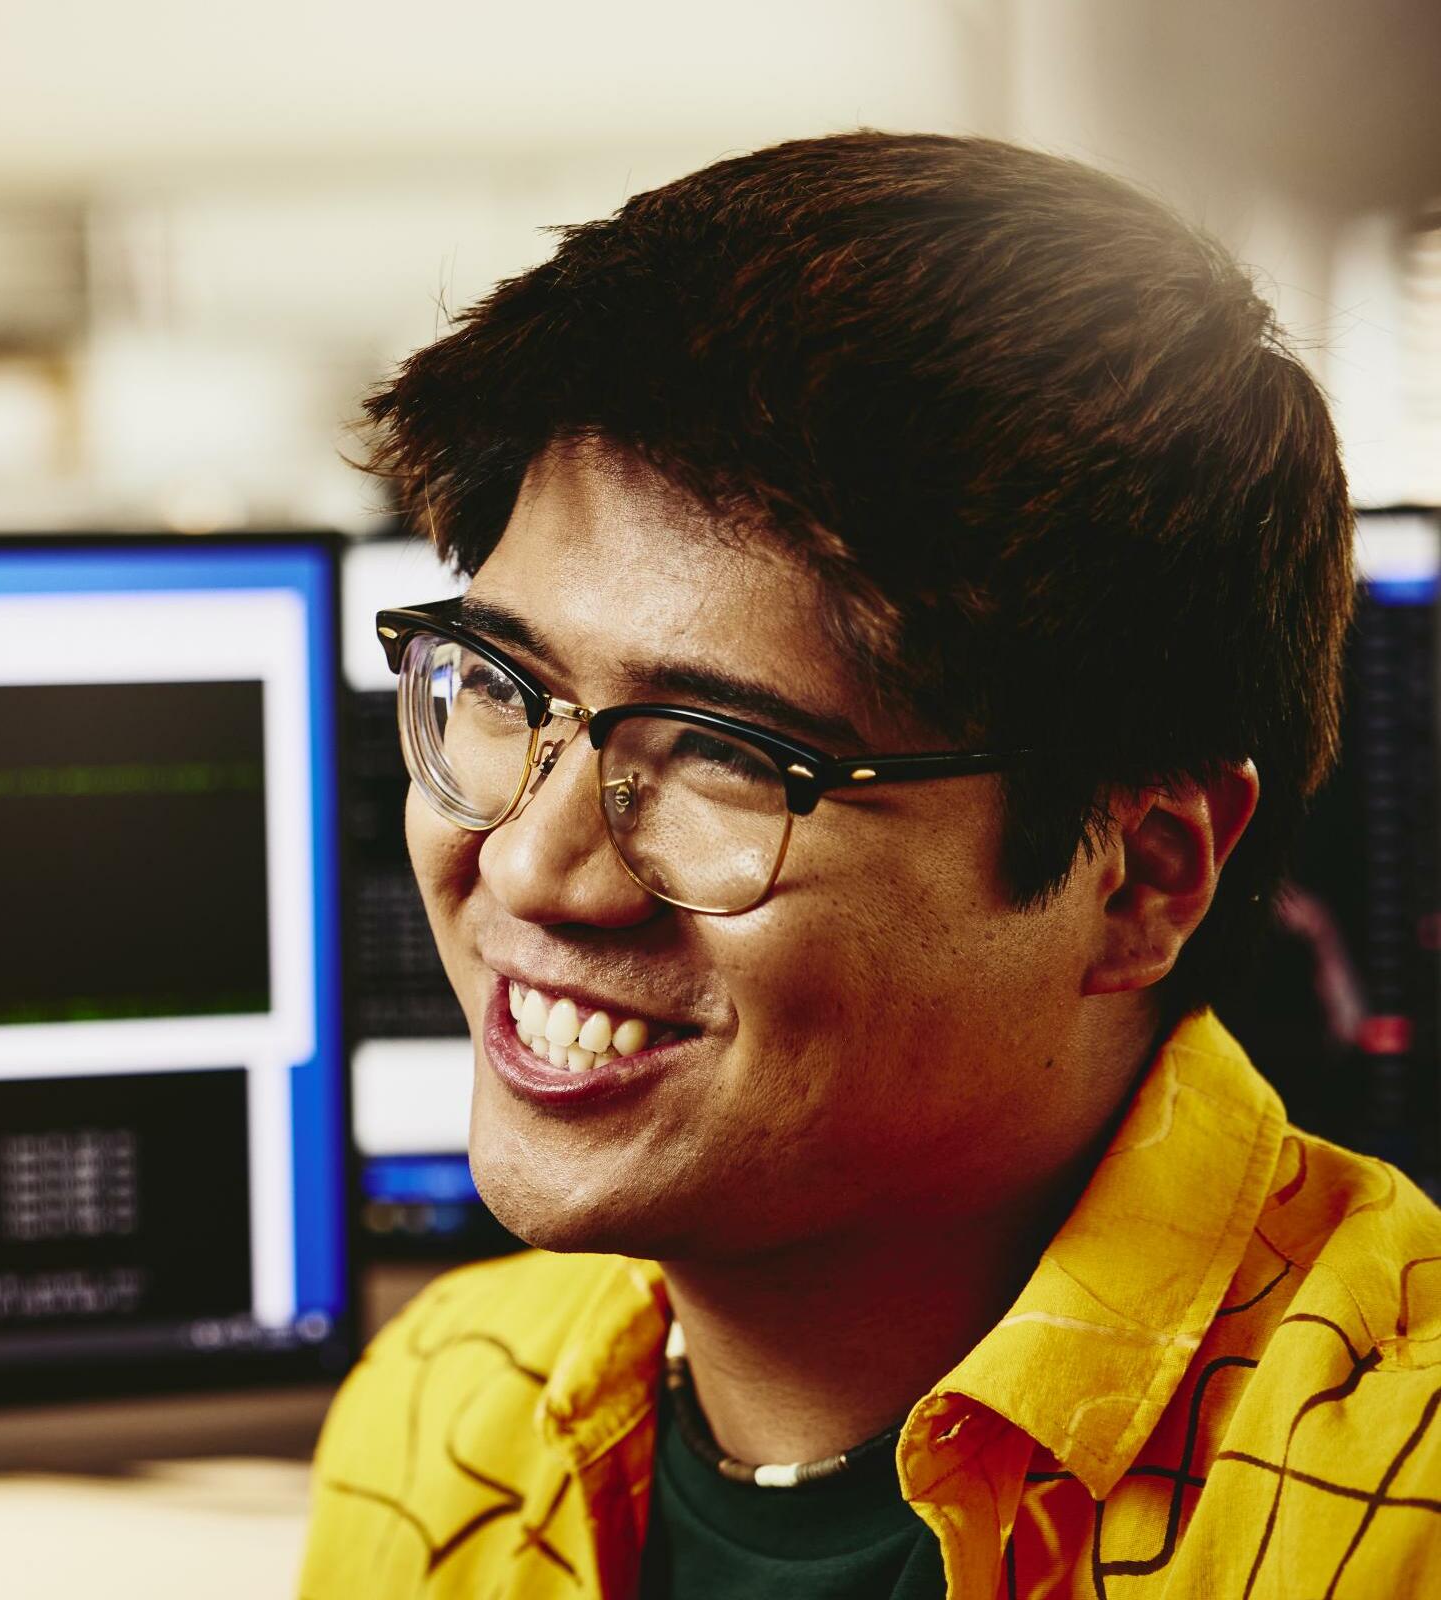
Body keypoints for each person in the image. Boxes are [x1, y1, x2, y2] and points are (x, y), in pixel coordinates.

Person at [301, 131, 1441, 1599]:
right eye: (499, 685)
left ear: (1144, 876)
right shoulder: (441, 1420)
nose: (535, 868)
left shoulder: (1391, 1509)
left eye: (721, 754)